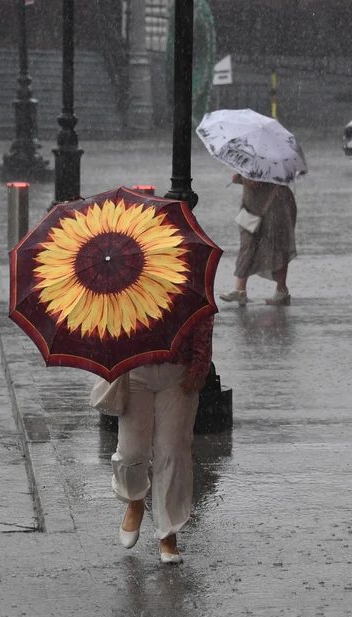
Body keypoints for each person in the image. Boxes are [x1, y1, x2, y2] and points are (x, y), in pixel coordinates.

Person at [112, 316, 214, 565]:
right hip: (134, 369)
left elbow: (203, 314)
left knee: (173, 452)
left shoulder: (185, 276)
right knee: (131, 452)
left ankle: (168, 534)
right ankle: (135, 498)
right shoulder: (118, 278)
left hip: (177, 372)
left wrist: (199, 366)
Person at [218, 174, 297, 306]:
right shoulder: (261, 161)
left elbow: (252, 182)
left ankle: (280, 290)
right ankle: (241, 289)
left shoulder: (263, 162)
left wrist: (241, 177)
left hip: (274, 206)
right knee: (254, 244)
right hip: (257, 206)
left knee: (275, 245)